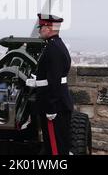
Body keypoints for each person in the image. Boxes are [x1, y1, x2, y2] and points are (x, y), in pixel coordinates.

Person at [27, 13, 74, 155]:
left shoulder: (53, 49)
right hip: (57, 103)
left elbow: (54, 81)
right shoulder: (55, 46)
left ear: (48, 28)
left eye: (41, 27)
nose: (40, 30)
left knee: (55, 147)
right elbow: (49, 76)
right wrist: (36, 81)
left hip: (55, 106)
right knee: (56, 143)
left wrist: (51, 108)